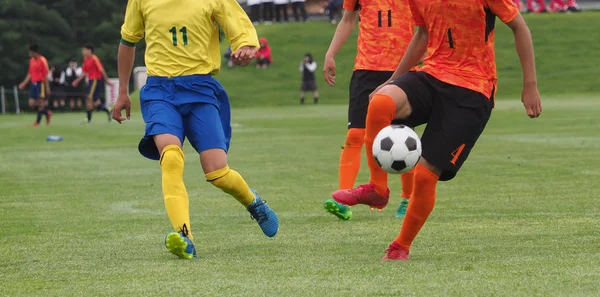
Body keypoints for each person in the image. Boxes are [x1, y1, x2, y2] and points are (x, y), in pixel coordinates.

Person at [338, 0, 542, 261]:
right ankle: (378, 190)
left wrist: (530, 85)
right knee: (380, 102)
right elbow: (422, 33)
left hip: (473, 89)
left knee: (424, 176)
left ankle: (401, 246)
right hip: (433, 73)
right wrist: (392, 80)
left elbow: (520, 27)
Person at [114, 0, 279, 259]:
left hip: (201, 90)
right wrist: (123, 92)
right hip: (160, 91)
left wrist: (244, 51)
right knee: (170, 157)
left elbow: (240, 34)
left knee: (217, 173)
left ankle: (254, 203)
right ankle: (185, 237)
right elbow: (128, 41)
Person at [322, 0, 416, 220]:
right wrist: (330, 53)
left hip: (402, 68)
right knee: (355, 134)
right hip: (365, 70)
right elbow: (347, 20)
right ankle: (342, 201)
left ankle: (407, 199)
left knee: (404, 137)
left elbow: (426, 21)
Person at [72, 45, 114, 123]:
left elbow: (101, 70)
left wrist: (107, 80)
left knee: (89, 97)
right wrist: (76, 81)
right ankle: (108, 109)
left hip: (96, 80)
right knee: (96, 103)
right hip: (91, 81)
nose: (83, 52)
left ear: (89, 50)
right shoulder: (85, 59)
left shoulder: (94, 59)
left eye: (84, 50)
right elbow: (84, 72)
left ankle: (88, 118)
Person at [18, 45, 52, 127]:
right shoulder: (31, 61)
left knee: (40, 103)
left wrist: (47, 87)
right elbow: (30, 73)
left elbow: (45, 74)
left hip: (41, 83)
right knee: (31, 104)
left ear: (35, 52)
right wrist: (24, 83)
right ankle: (47, 113)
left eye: (30, 52)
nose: (29, 54)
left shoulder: (42, 60)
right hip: (34, 84)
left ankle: (37, 122)